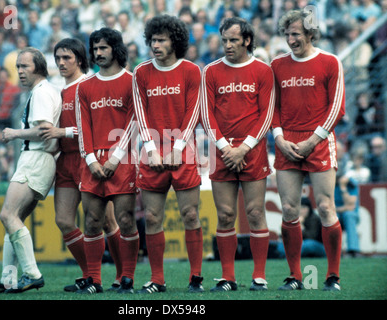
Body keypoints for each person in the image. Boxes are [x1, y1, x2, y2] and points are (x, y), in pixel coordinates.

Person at [38, 37, 123, 293]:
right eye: (58, 58)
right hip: (65, 161)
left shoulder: (89, 85)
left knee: (106, 222)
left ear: (79, 59)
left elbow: (95, 128)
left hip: (90, 159)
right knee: (64, 220)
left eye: (67, 58)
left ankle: (122, 276)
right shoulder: (56, 91)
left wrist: (61, 132)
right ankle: (90, 276)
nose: (61, 62)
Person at [271, 9, 345, 291]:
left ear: (311, 34)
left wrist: (312, 141)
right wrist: (279, 138)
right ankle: (295, 276)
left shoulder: (330, 62)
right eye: (287, 34)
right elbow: (271, 108)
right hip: (287, 142)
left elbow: (336, 108)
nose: (291, 39)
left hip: (319, 141)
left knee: (326, 206)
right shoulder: (277, 65)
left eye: (296, 34)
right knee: (289, 209)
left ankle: (333, 276)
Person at [200, 17, 275, 292]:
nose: (228, 45)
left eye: (233, 40)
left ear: (246, 40)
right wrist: (225, 148)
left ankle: (259, 276)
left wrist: (243, 148)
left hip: (251, 151)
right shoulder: (210, 71)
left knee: (255, 212)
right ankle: (228, 277)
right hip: (222, 151)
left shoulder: (263, 70)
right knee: (226, 215)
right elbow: (206, 115)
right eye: (224, 41)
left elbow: (266, 114)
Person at [0, 47, 62, 294]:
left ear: (37, 66)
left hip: (36, 158)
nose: (19, 72)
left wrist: (15, 133)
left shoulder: (42, 93)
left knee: (8, 215)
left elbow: (45, 130)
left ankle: (32, 274)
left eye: (24, 66)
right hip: (38, 159)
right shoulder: (42, 91)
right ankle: (8, 279)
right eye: (17, 67)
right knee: (14, 219)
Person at [133, 14, 204, 294]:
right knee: (151, 217)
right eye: (152, 40)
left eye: (161, 40)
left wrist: (177, 148)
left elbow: (193, 113)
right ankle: (157, 280)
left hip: (182, 152)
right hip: (152, 153)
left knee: (189, 214)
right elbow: (140, 113)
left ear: (175, 41)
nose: (155, 45)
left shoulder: (191, 71)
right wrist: (150, 149)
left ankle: (196, 277)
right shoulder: (141, 72)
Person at [75, 28, 139, 294]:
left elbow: (134, 122)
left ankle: (127, 277)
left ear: (115, 49)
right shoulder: (85, 86)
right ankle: (95, 280)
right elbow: (83, 126)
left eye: (103, 48)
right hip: (92, 161)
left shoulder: (132, 81)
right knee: (91, 221)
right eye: (95, 49)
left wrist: (115, 157)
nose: (98, 53)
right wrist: (91, 160)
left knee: (125, 220)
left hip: (122, 161)